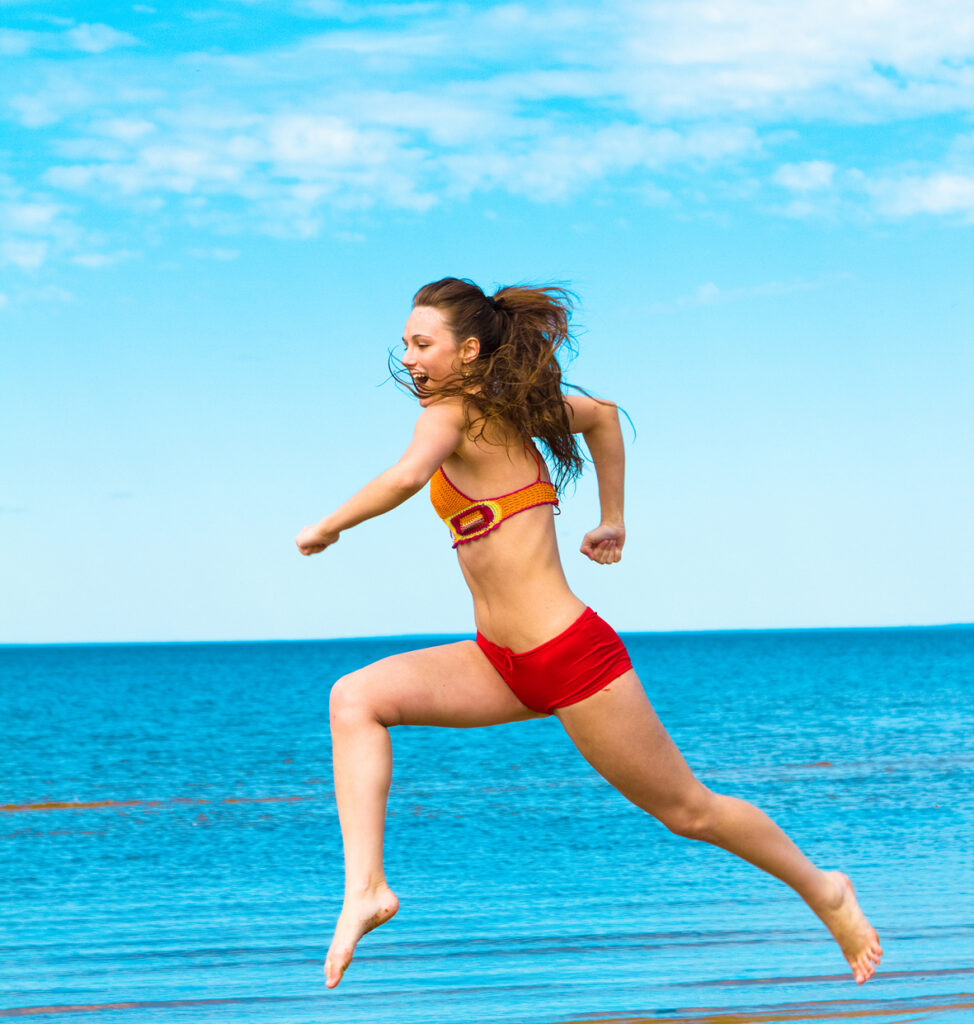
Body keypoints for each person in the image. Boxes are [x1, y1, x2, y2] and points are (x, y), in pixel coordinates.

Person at [295, 277, 883, 989]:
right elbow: (601, 417)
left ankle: (825, 889)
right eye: (406, 344)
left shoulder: (449, 416)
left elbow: (408, 476)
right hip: (500, 661)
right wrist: (611, 519)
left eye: (423, 343)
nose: (409, 356)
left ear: (470, 350)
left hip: (570, 656)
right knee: (355, 698)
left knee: (689, 811)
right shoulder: (510, 412)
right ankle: (366, 889)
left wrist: (331, 524)